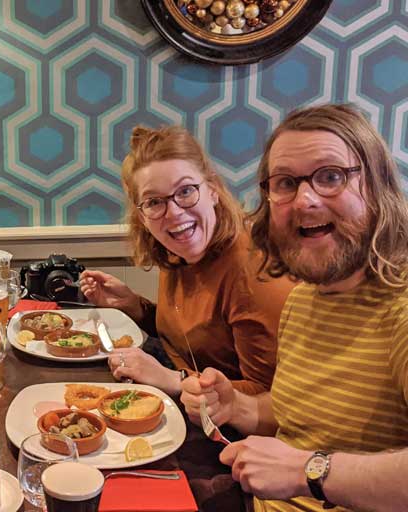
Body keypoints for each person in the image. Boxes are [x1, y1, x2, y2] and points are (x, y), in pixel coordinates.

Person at [181, 104, 408, 511]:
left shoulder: (401, 305)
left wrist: (311, 471)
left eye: (331, 177)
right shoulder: (304, 297)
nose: (305, 200)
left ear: (376, 185)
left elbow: (306, 460)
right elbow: (296, 417)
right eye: (285, 183)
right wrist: (238, 405)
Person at [80, 125, 294, 397]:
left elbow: (270, 398)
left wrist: (174, 379)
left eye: (185, 191)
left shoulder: (252, 273)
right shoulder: (176, 249)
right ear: (142, 216)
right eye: (154, 201)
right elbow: (192, 333)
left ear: (213, 190)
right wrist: (135, 307)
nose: (174, 213)